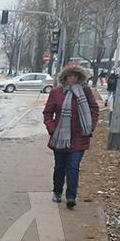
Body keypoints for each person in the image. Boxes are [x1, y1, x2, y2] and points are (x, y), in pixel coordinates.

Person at [43, 65, 100, 209]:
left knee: (73, 167)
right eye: (70, 76)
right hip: (60, 136)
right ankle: (57, 192)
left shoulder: (85, 92)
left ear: (80, 78)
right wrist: (52, 129)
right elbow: (48, 113)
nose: (73, 79)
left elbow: (94, 108)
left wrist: (90, 126)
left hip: (79, 136)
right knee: (60, 167)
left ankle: (71, 197)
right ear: (65, 77)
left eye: (76, 76)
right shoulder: (56, 92)